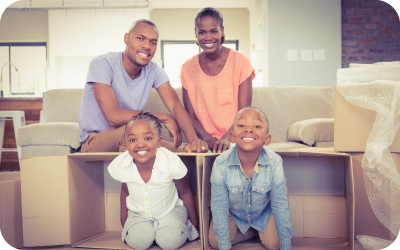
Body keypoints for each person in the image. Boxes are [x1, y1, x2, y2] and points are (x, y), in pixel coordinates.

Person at [79, 19, 208, 153]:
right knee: (136, 132)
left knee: (182, 152)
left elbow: (175, 106)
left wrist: (194, 142)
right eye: (141, 38)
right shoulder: (102, 64)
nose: (147, 46)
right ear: (127, 38)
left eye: (153, 42)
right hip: (95, 141)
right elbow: (113, 116)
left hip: (134, 137)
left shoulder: (155, 71)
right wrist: (163, 117)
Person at [108, 112, 199, 250]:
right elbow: (125, 192)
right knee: (139, 242)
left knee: (169, 241)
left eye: (148, 138)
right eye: (133, 140)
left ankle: (163, 232)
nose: (140, 144)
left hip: (170, 211)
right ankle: (151, 233)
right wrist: (124, 222)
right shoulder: (123, 165)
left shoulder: (170, 162)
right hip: (139, 215)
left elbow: (185, 191)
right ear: (126, 143)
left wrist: (194, 223)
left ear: (159, 142)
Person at [209, 107, 292, 250]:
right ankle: (249, 232)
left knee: (276, 244)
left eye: (257, 126)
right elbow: (219, 205)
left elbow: (280, 204)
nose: (248, 129)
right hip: (233, 213)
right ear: (232, 136)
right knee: (216, 242)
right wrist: (224, 244)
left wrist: (286, 245)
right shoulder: (221, 164)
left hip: (263, 212)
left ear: (267, 139)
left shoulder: (275, 162)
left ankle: (256, 229)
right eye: (241, 125)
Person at [180, 7, 253, 153]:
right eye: (202, 32)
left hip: (236, 136)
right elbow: (190, 117)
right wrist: (207, 137)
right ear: (196, 33)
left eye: (213, 31)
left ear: (222, 30)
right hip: (203, 140)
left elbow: (244, 112)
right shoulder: (187, 68)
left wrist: (227, 138)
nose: (208, 37)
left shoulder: (241, 62)